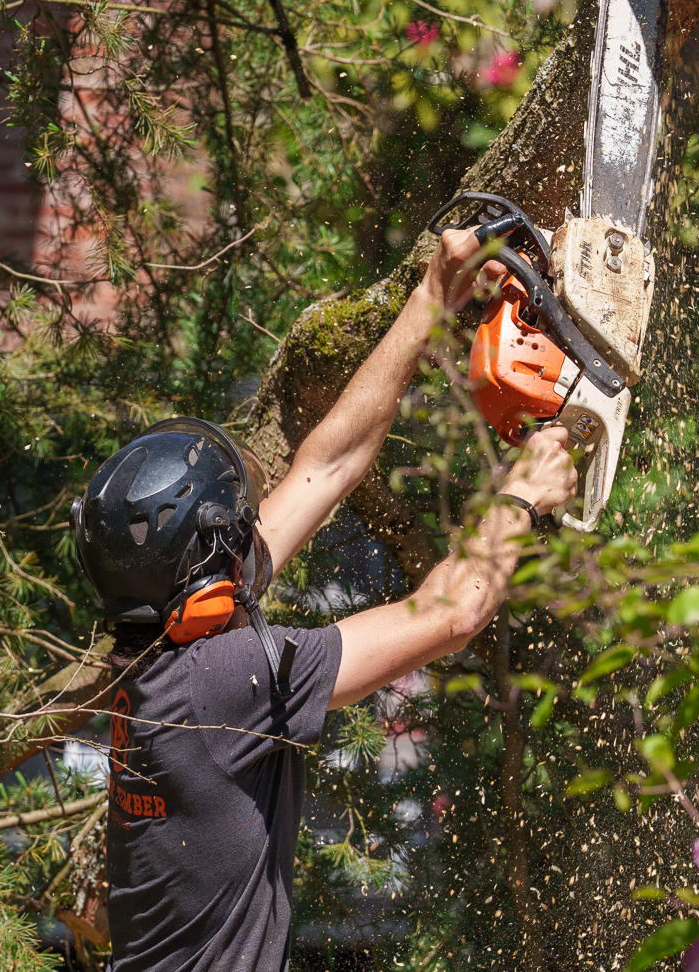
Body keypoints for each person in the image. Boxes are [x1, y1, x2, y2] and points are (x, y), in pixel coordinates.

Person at [69, 228, 580, 972]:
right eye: (238, 529)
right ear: (209, 573)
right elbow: (450, 614)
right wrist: (522, 497)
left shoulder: (152, 650)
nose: (254, 529)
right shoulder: (224, 682)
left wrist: (432, 298)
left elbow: (326, 466)